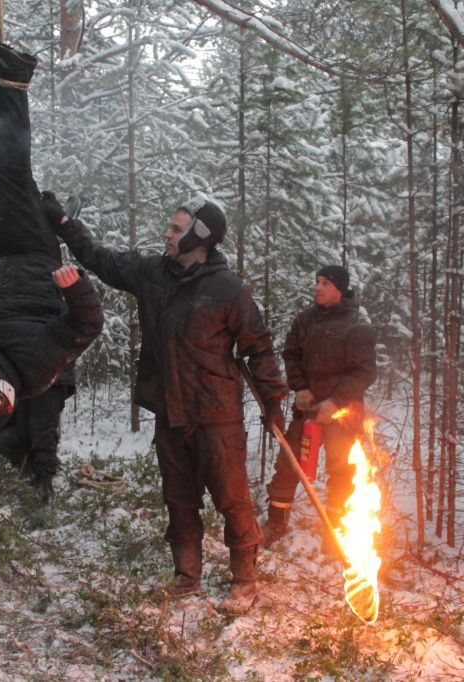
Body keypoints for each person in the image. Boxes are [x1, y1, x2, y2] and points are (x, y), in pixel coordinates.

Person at [41, 192, 287, 615]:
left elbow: (258, 349)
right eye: (170, 227)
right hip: (170, 412)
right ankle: (186, 576)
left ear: (201, 236)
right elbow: (99, 258)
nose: (168, 234)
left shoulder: (229, 290)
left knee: (232, 499)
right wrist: (64, 223)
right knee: (178, 497)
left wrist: (274, 402)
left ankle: (244, 580)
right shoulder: (152, 273)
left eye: (176, 228)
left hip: (217, 415)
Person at [0, 40, 103, 503]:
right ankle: (17, 77)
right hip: (34, 256)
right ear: (8, 386)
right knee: (9, 170)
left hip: (7, 259)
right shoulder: (38, 361)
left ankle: (28, 198)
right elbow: (87, 324)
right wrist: (74, 288)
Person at [261, 265, 377, 553]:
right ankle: (276, 523)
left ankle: (336, 532)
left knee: (342, 470)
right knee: (289, 464)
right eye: (317, 282)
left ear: (339, 288)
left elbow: (364, 372)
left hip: (343, 414)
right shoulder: (305, 320)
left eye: (325, 283)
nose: (318, 287)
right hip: (308, 411)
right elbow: (291, 355)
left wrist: (336, 401)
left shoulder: (357, 325)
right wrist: (300, 387)